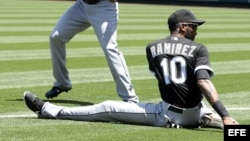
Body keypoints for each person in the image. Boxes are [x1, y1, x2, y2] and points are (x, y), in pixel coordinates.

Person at [23, 9, 239, 129]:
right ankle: (223, 124)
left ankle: (49, 110)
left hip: (168, 115)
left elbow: (165, 78)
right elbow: (202, 82)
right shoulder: (198, 48)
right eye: (193, 26)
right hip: (196, 111)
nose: (196, 30)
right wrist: (225, 115)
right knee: (233, 127)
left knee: (107, 108)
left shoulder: (153, 48)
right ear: (182, 27)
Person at [45, 0, 139, 103]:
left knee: (109, 48)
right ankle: (62, 83)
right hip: (82, 6)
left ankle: (130, 98)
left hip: (104, 8)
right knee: (56, 37)